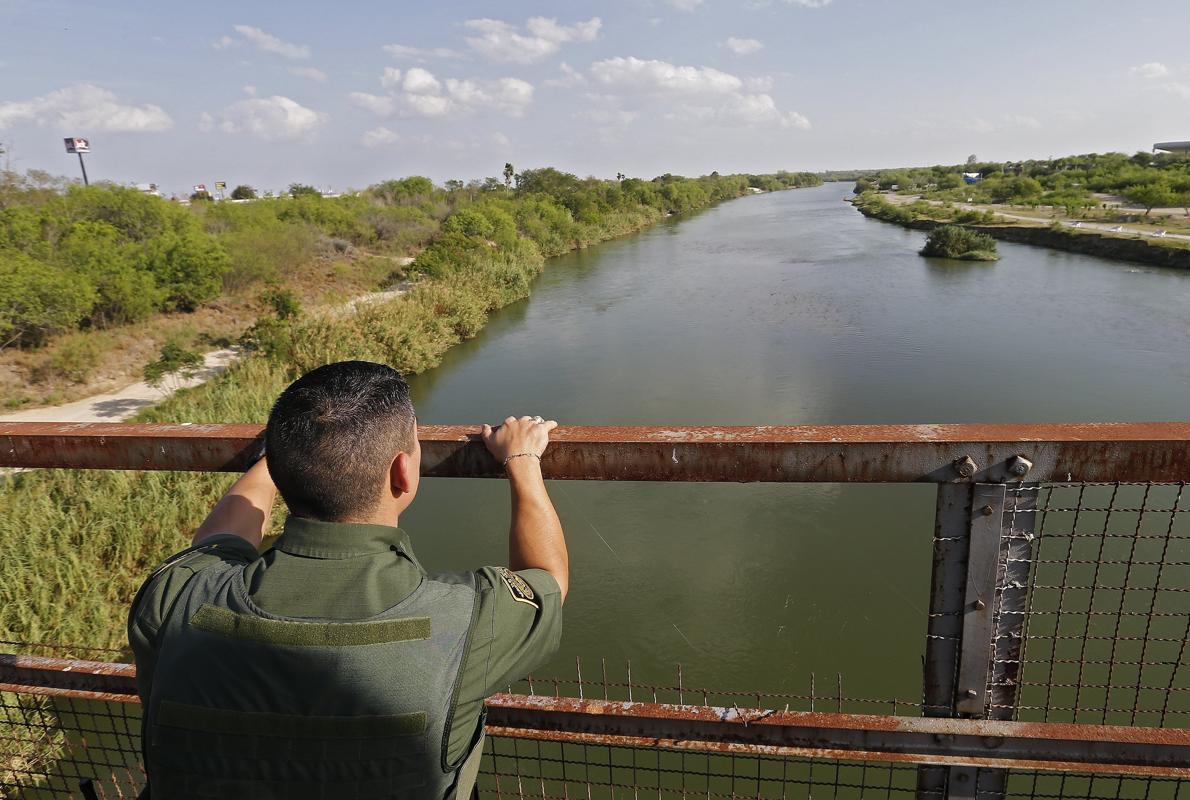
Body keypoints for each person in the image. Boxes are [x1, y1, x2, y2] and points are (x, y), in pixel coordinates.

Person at [127, 360, 568, 799]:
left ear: (283, 473)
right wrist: (523, 459)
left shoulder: (176, 598)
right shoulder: (466, 621)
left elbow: (219, 543)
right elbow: (547, 578)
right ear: (403, 471)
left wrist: (282, 461)